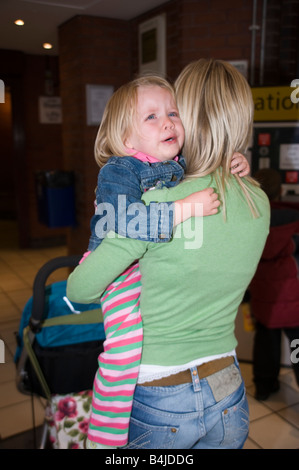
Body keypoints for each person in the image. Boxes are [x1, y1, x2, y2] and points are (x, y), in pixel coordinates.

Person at [67, 59, 269, 449]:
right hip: (229, 389)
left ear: (188, 117)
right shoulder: (258, 199)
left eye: (173, 112)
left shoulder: (156, 202)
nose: (168, 123)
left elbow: (80, 289)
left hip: (162, 394)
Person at [249, 168, 299, 401]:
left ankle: (263, 387)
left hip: (263, 296)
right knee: (297, 345)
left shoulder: (251, 219)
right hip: (293, 299)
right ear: (280, 191)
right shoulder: (294, 221)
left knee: (265, 345)